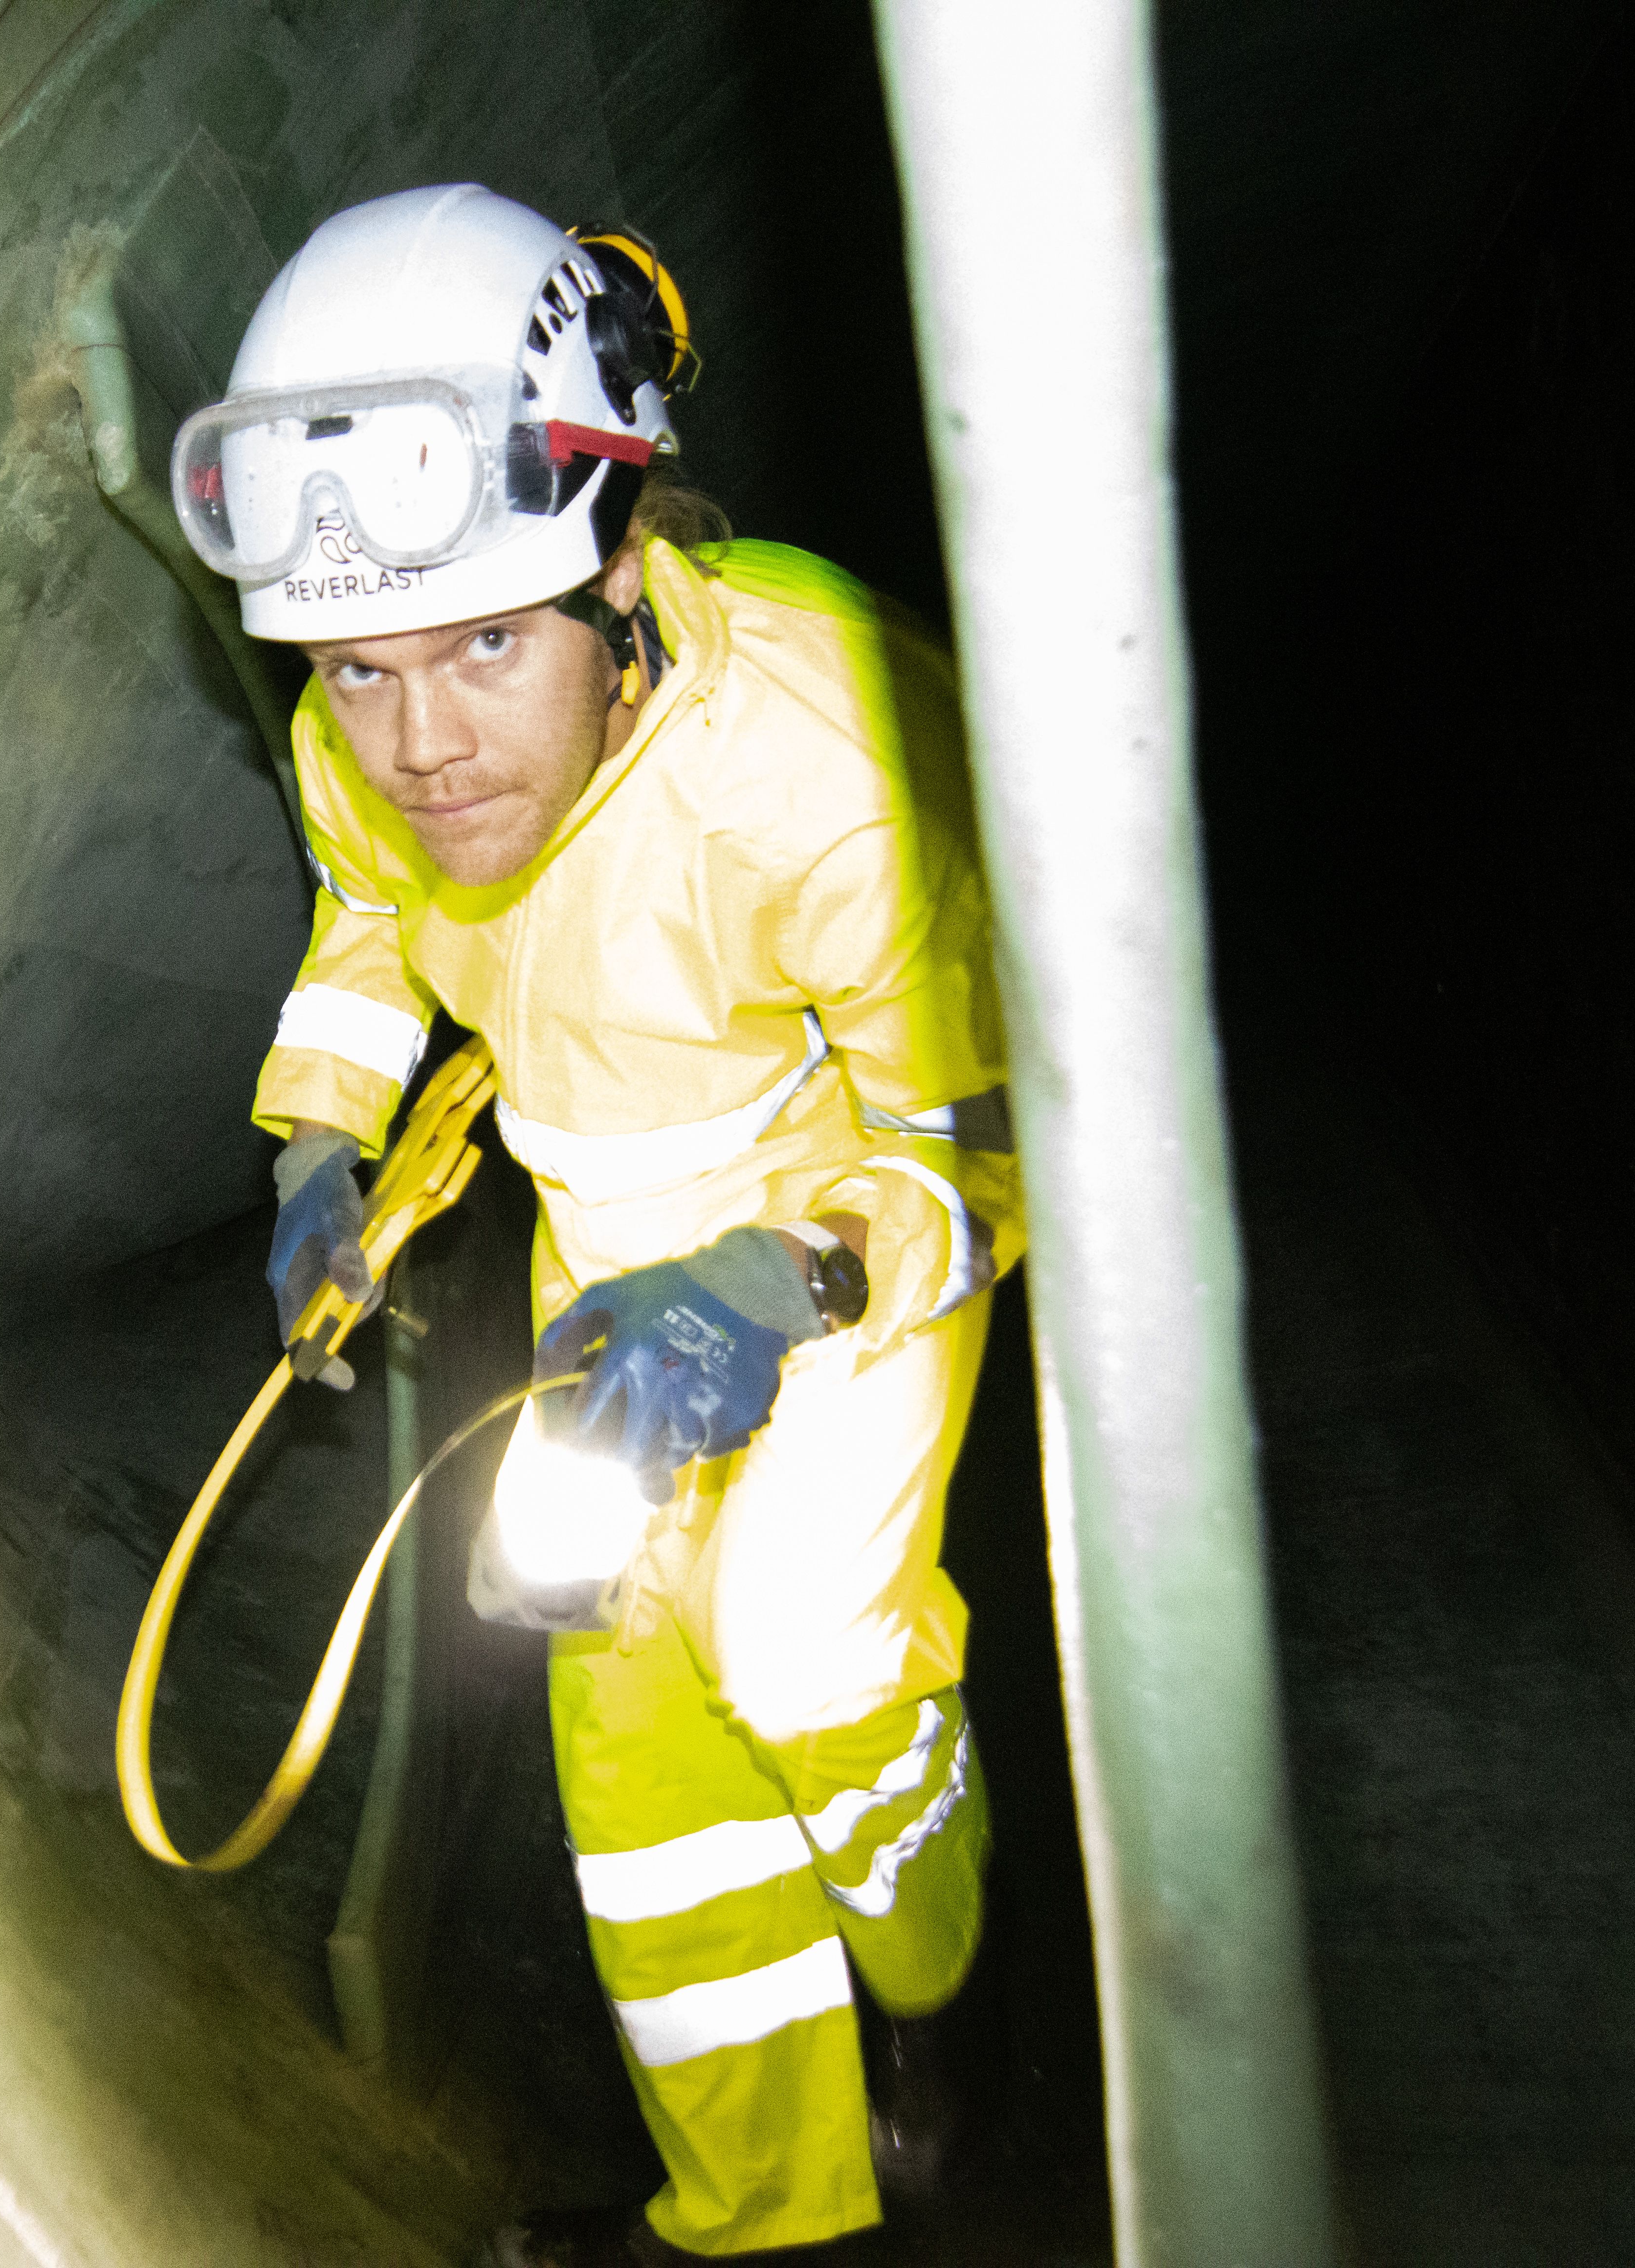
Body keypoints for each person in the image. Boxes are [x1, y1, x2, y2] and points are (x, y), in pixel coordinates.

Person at [172, 184, 1023, 2265]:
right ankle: (765, 2213)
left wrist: (790, 1279)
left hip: (842, 1238)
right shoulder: (366, 743)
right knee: (631, 1737)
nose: (423, 744)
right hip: (598, 1247)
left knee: (798, 1647)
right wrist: (317, 1144)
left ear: (617, 562)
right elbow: (371, 922)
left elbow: (977, 1153)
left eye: (484, 642)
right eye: (358, 667)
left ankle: (936, 1998)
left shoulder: (832, 750)